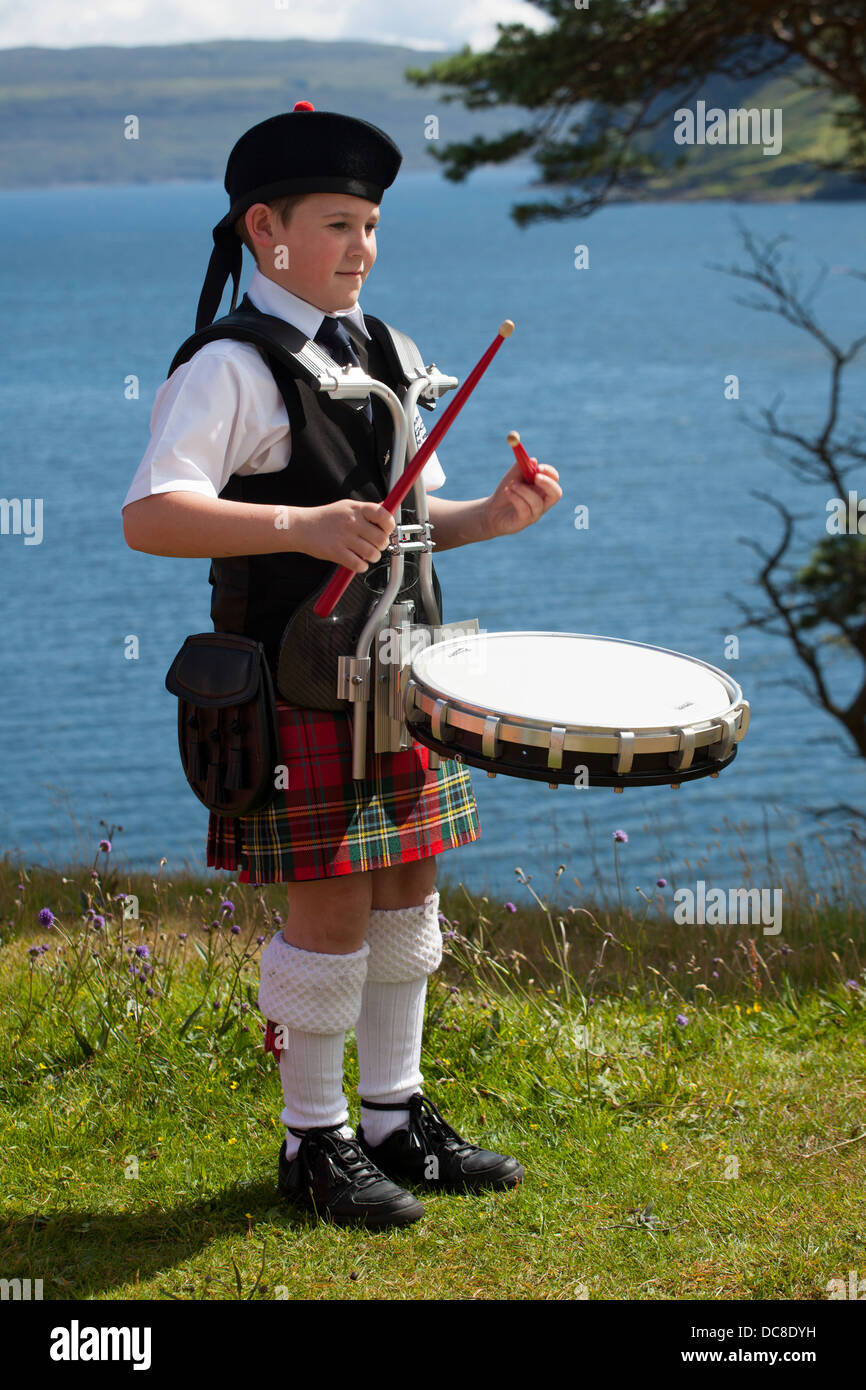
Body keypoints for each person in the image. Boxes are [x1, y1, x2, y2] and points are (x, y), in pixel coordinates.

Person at [122, 104, 562, 1229]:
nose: (360, 247)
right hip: (291, 682)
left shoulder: (392, 353)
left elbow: (404, 522)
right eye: (334, 224)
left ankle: (392, 1117)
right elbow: (153, 515)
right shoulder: (229, 366)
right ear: (263, 229)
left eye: (369, 224)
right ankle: (309, 1143)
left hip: (401, 675)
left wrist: (488, 519)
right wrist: (299, 528)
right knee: (326, 914)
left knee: (408, 895)